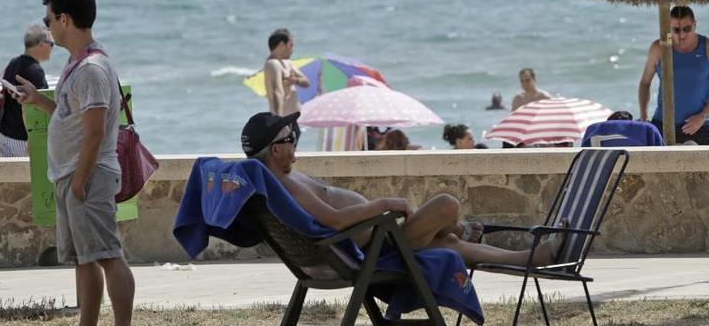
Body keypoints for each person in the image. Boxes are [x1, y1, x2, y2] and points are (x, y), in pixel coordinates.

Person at [240, 112, 565, 267]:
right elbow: (336, 220)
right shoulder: (283, 184)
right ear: (276, 148)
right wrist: (384, 202)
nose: (295, 140)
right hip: (377, 248)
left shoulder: (280, 180)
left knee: (449, 243)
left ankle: (530, 258)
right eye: (289, 137)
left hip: (377, 240)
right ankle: (466, 230)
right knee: (446, 205)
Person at [12, 0, 135, 326]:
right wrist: (37, 99)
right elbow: (73, 117)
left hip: (88, 176)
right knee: (86, 258)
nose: (47, 27)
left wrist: (80, 179)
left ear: (64, 19)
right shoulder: (77, 65)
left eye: (48, 19)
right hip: (72, 175)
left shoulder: (92, 69)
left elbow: (95, 132)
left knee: (109, 255)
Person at [638, 6, 709, 145]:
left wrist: (702, 116)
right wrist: (644, 116)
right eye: (676, 30)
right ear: (669, 28)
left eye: (687, 29)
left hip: (700, 125)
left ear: (694, 25)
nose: (682, 35)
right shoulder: (659, 48)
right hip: (663, 123)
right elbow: (645, 83)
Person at [0, 24, 53, 157]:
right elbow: (37, 110)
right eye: (51, 44)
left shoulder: (13, 63)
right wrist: (34, 140)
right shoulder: (35, 71)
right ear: (41, 44)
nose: (52, 48)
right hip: (23, 139)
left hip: (5, 135)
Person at [263, 28, 310, 116]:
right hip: (283, 118)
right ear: (281, 45)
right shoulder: (273, 63)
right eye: (290, 45)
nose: (292, 49)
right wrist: (278, 120)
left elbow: (307, 82)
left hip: (291, 119)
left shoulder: (287, 63)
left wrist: (294, 80)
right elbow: (278, 92)